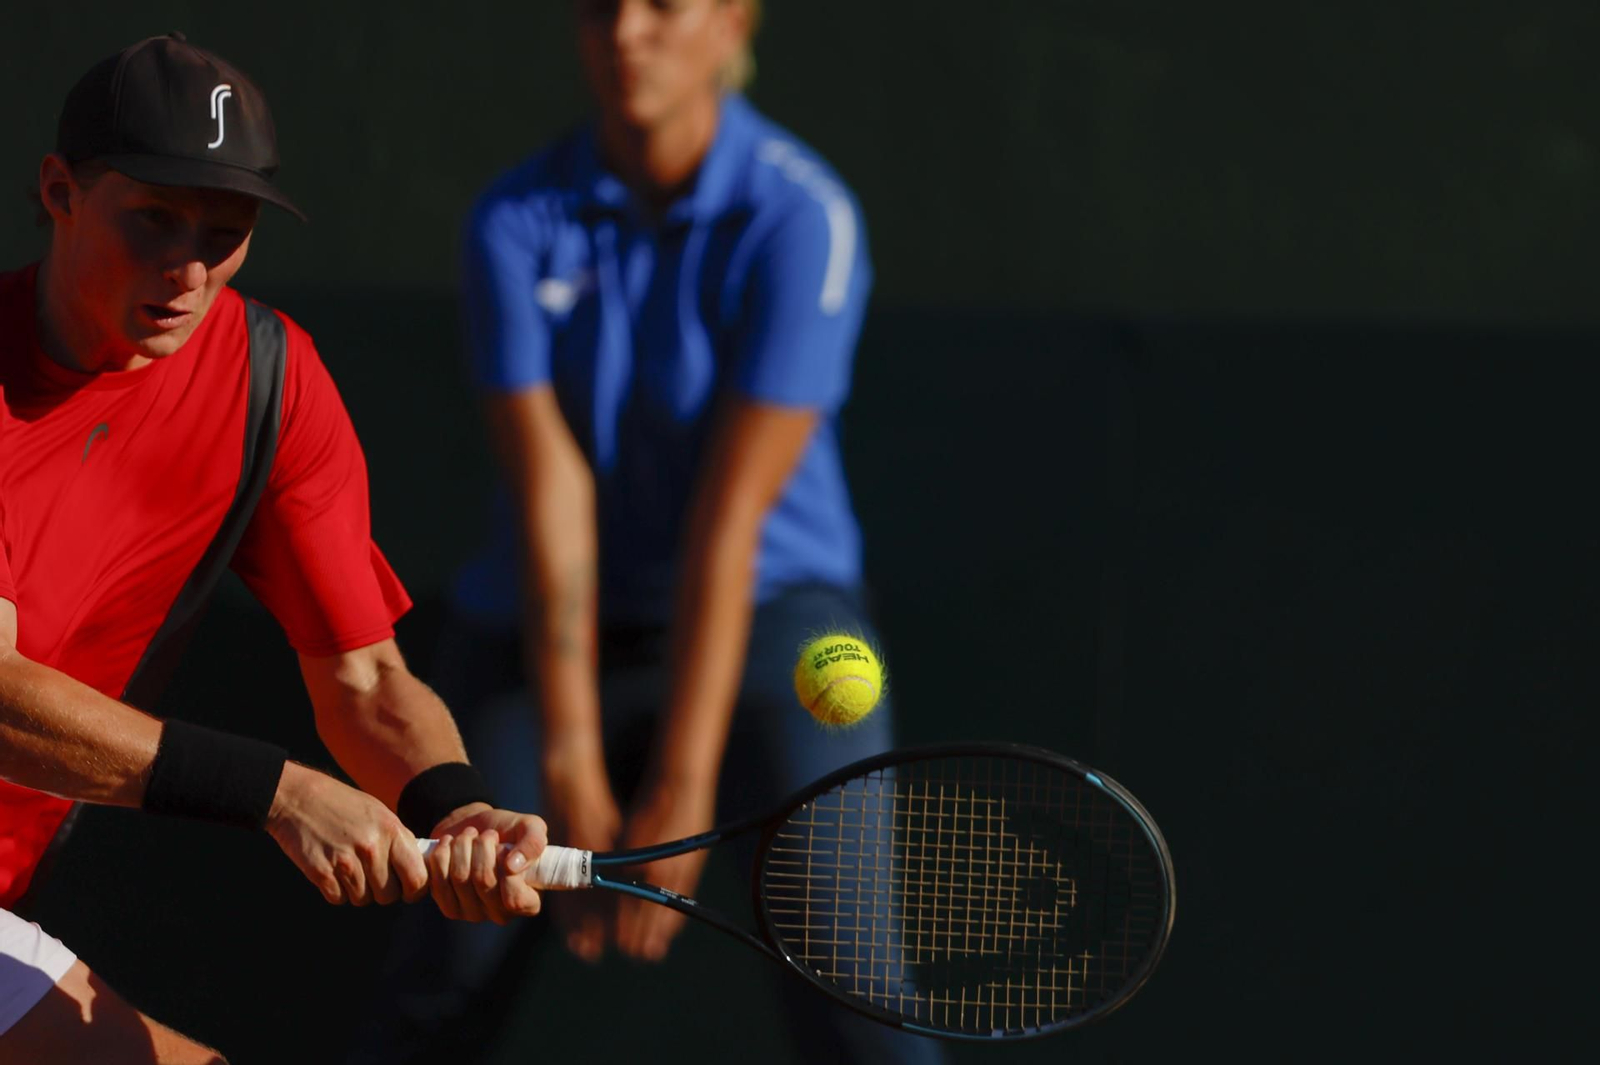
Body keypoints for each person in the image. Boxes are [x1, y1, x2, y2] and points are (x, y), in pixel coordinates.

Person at [350, 2, 945, 1062]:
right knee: (445, 968)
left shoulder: (802, 216)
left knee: (855, 981)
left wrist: (679, 784)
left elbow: (731, 519)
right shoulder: (511, 220)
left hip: (781, 618)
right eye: (598, 7)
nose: (627, 33)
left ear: (732, 23)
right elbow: (551, 494)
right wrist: (574, 769)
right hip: (541, 633)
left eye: (664, 6)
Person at [0, 33, 549, 1061]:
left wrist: (456, 806)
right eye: (154, 219)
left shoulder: (268, 381)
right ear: (59, 190)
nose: (191, 267)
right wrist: (281, 795)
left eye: (226, 228)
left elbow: (366, 679)